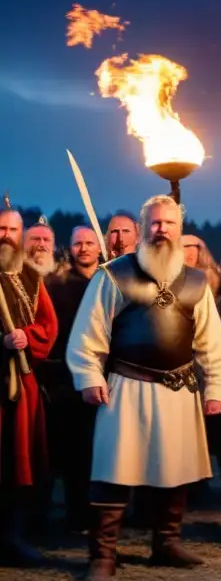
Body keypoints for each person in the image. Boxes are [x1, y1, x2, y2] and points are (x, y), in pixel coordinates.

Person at [67, 195, 221, 581]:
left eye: (169, 223)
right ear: (142, 229)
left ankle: (165, 543)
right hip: (126, 387)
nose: (162, 230)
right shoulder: (114, 274)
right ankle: (103, 554)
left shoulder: (195, 281)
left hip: (179, 389)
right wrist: (88, 376)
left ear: (179, 229)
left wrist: (216, 386)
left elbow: (210, 339)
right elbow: (89, 332)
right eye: (155, 223)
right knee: (113, 470)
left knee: (175, 468)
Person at [0, 200, 58, 565]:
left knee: (18, 462)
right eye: (0, 229)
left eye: (12, 231)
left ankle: (13, 536)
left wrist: (26, 336)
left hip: (20, 386)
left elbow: (48, 326)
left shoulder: (32, 277)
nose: (5, 237)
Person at [37, 226, 103, 533]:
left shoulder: (109, 282)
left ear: (99, 247)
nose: (84, 248)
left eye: (90, 242)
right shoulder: (56, 284)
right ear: (70, 247)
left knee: (99, 450)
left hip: (105, 376)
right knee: (73, 451)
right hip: (66, 377)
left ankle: (100, 514)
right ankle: (73, 514)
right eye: (78, 243)